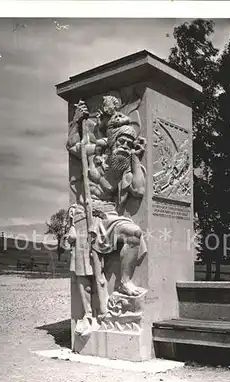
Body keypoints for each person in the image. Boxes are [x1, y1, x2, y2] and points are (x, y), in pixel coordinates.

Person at [66, 97, 147, 335]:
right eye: (121, 141)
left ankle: (125, 281)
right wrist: (76, 121)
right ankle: (87, 315)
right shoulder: (92, 154)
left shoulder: (126, 168)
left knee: (134, 233)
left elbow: (139, 191)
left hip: (110, 215)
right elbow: (72, 146)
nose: (124, 146)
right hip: (86, 212)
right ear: (111, 141)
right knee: (84, 268)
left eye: (129, 143)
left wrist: (133, 157)